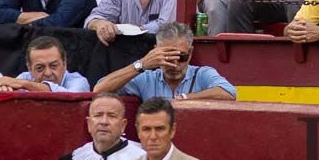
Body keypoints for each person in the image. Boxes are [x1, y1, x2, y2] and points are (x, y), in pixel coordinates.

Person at [94, 22, 237, 100]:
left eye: (181, 57)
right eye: (167, 57)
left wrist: (186, 99)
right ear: (155, 51)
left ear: (191, 52)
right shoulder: (147, 78)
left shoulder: (202, 74)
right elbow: (99, 89)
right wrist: (141, 64)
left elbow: (229, 93)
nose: (174, 64)